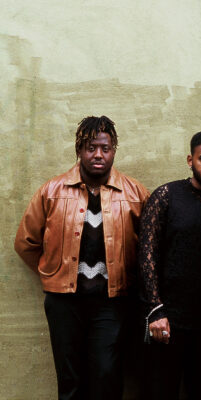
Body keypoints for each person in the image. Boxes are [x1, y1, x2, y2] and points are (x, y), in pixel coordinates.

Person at [14, 115, 149, 400]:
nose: (98, 154)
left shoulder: (135, 194)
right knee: (70, 379)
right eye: (91, 148)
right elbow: (26, 242)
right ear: (79, 150)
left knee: (106, 375)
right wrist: (53, 272)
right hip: (64, 303)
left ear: (114, 150)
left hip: (113, 304)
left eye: (105, 147)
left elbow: (150, 248)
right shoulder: (52, 191)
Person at [138, 131, 201, 399]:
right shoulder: (166, 196)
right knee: (160, 390)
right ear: (190, 160)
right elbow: (146, 254)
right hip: (167, 321)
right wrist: (155, 310)